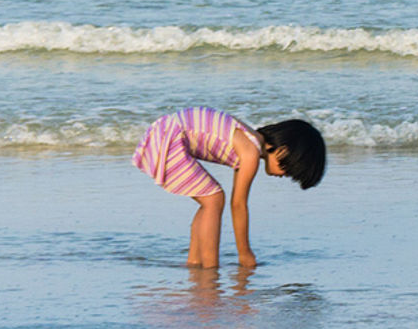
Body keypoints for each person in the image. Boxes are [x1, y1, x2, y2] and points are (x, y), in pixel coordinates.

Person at [132, 107, 324, 268]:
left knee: (210, 199)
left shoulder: (249, 138)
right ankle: (210, 268)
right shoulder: (250, 153)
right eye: (288, 170)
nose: (284, 176)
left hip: (165, 131)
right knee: (214, 199)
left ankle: (195, 262)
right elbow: (238, 205)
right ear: (283, 150)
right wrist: (245, 253)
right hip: (170, 137)